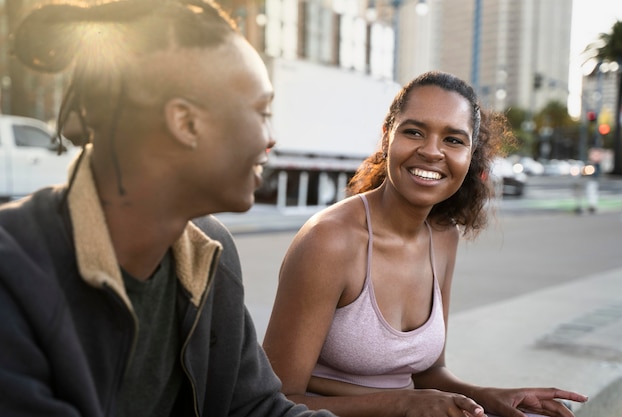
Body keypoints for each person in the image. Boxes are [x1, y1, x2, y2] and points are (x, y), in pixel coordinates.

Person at [0, 1, 337, 416]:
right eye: (261, 112)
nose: (271, 138)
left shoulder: (211, 253)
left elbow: (257, 407)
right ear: (186, 123)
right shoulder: (13, 275)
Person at [262, 71, 588, 417]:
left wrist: (490, 397)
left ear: (470, 155)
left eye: (453, 140)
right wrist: (401, 404)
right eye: (414, 132)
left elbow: (429, 374)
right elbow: (277, 401)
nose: (432, 152)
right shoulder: (330, 241)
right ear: (388, 137)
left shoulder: (443, 236)